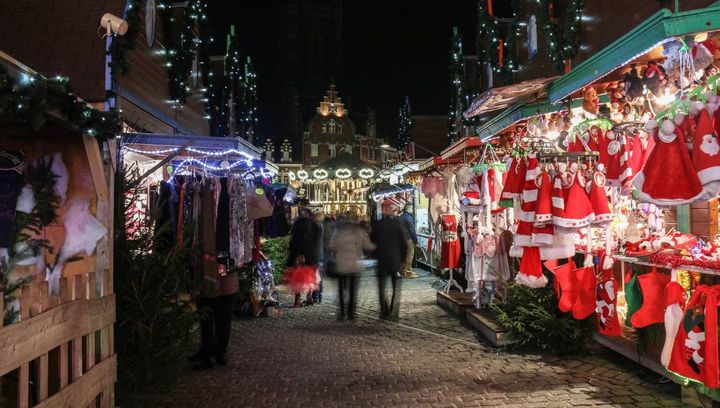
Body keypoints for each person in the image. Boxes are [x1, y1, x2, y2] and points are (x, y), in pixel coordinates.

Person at [329, 212, 375, 320]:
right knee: (353, 290)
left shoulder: (339, 231)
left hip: (341, 264)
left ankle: (341, 313)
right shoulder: (358, 231)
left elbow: (332, 245)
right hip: (354, 264)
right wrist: (377, 246)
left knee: (341, 290)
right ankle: (351, 313)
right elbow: (368, 245)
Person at [370, 200, 409, 319]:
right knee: (395, 286)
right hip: (394, 259)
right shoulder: (397, 224)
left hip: (382, 259)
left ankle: (383, 310)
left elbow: (372, 242)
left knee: (382, 286)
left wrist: (375, 255)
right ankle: (394, 310)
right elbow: (404, 243)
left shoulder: (377, 224)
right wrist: (402, 259)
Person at [286, 207, 322, 307]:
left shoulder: (298, 224)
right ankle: (308, 297)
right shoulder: (312, 224)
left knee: (299, 278)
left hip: (300, 255)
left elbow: (294, 240)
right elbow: (316, 241)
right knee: (310, 277)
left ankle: (299, 299)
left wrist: (297, 253)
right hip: (310, 255)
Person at [398, 204, 419, 279]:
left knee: (403, 255)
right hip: (408, 239)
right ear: (409, 209)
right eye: (412, 208)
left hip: (400, 240)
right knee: (410, 255)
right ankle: (408, 272)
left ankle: (402, 271)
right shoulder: (408, 218)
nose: (413, 210)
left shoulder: (399, 218)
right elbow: (412, 230)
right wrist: (416, 241)